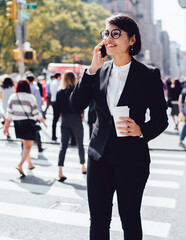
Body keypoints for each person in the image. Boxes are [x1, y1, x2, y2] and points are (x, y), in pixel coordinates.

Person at [70, 13, 168, 240]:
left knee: (130, 219)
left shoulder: (148, 75)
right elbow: (76, 105)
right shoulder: (99, 72)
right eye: (106, 33)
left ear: (131, 40)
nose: (109, 38)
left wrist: (141, 129)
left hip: (132, 159)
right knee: (99, 222)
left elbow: (161, 119)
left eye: (116, 33)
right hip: (98, 156)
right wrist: (92, 69)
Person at [3, 80, 47, 176]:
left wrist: (5, 127)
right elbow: (36, 112)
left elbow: (8, 114)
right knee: (28, 146)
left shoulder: (13, 96)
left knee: (25, 145)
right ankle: (20, 165)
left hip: (17, 124)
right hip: (28, 124)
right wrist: (43, 122)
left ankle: (30, 164)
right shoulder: (30, 97)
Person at [56, 70, 86, 182]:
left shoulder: (60, 93)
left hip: (64, 120)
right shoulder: (76, 91)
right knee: (80, 144)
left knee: (63, 146)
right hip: (76, 119)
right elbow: (81, 106)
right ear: (74, 79)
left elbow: (56, 110)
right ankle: (83, 166)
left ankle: (60, 171)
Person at [27, 75, 45, 152]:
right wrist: (39, 113)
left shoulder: (24, 88)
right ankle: (39, 146)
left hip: (25, 113)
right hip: (33, 113)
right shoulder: (35, 88)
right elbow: (38, 102)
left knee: (26, 132)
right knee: (36, 130)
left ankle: (25, 149)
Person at [50, 73, 61, 142]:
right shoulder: (58, 83)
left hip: (53, 101)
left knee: (55, 119)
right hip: (57, 102)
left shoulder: (53, 82)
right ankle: (54, 135)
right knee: (56, 119)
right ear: (59, 76)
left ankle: (53, 135)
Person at [179, 81, 186, 148]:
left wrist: (180, 110)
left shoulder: (183, 90)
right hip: (185, 108)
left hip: (183, 108)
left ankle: (181, 140)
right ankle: (180, 140)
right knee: (185, 124)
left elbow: (180, 100)